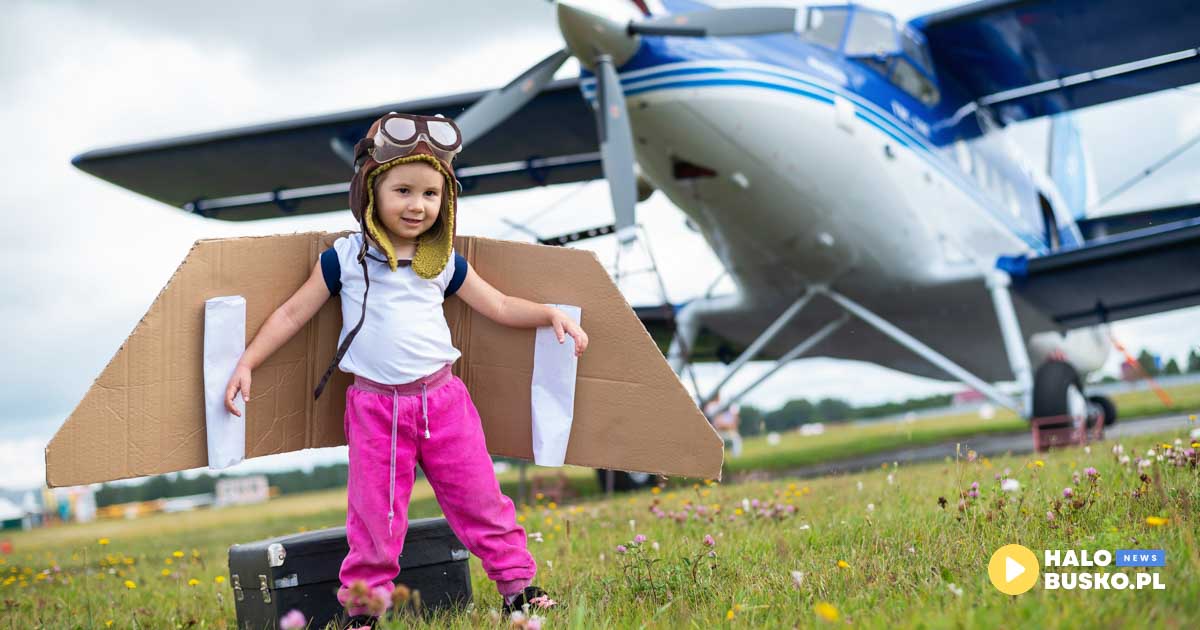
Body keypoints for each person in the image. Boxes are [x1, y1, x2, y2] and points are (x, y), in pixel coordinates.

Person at [223, 112, 587, 626]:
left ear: (446, 202)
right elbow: (290, 313)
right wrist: (246, 361)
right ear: (371, 190)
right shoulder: (345, 258)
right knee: (374, 518)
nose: (417, 206)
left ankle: (518, 591)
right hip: (375, 409)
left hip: (444, 402)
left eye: (431, 195)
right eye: (403, 191)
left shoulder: (444, 261)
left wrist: (549, 314)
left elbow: (500, 307)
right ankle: (364, 611)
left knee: (481, 500)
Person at [703, 391, 743, 457]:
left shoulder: (721, 405)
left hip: (725, 431)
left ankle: (735, 457)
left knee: (736, 438)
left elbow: (733, 421)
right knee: (735, 438)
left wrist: (730, 424)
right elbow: (717, 424)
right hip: (716, 432)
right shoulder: (711, 406)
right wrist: (728, 425)